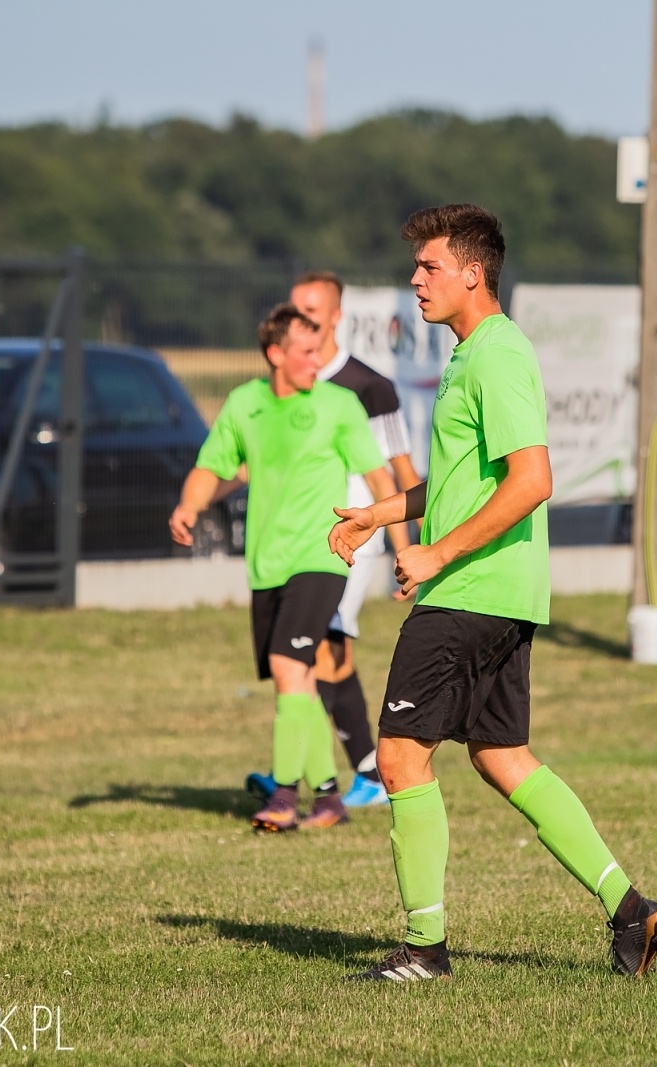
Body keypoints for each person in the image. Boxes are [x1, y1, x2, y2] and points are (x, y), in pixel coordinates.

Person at [332, 204, 657, 982]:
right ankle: (631, 911)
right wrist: (381, 514)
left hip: (470, 590)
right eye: (415, 267)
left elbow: (532, 481)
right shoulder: (469, 355)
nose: (415, 280)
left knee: (398, 757)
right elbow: (462, 483)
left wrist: (436, 554)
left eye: (428, 267)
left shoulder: (496, 355)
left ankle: (424, 949)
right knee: (501, 755)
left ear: (471, 273)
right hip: (493, 590)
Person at [170, 304, 393, 831]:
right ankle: (330, 799)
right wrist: (188, 505)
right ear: (276, 353)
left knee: (291, 669)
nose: (319, 360)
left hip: (322, 557)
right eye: (308, 352)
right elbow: (211, 465)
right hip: (267, 564)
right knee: (295, 683)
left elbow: (382, 482)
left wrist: (395, 537)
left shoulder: (339, 406)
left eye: (320, 350)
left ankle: (283, 797)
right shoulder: (244, 404)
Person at [243, 270, 422, 811]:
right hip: (295, 542)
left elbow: (400, 470)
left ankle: (318, 778)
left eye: (314, 313)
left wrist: (407, 546)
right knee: (317, 651)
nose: (304, 322)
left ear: (337, 316)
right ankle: (344, 772)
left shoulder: (370, 388)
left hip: (352, 541)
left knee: (314, 649)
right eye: (295, 311)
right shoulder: (288, 382)